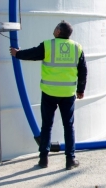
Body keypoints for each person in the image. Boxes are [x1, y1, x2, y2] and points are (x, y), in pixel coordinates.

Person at [9, 21, 87, 170]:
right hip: (68, 94)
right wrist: (81, 90)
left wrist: (17, 53)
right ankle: (70, 160)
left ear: (58, 32)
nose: (54, 28)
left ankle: (43, 160)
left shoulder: (48, 45)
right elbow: (83, 70)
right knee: (69, 126)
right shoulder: (77, 48)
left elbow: (32, 54)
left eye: (56, 27)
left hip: (49, 92)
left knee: (46, 126)